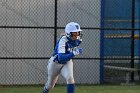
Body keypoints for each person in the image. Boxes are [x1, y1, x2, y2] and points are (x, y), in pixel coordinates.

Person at [42, 22, 83, 93]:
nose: (77, 35)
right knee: (50, 85)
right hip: (56, 62)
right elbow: (61, 58)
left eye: (78, 32)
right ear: (68, 33)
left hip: (67, 61)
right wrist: (73, 53)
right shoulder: (63, 40)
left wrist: (73, 52)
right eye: (74, 33)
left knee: (70, 78)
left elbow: (72, 47)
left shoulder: (78, 40)